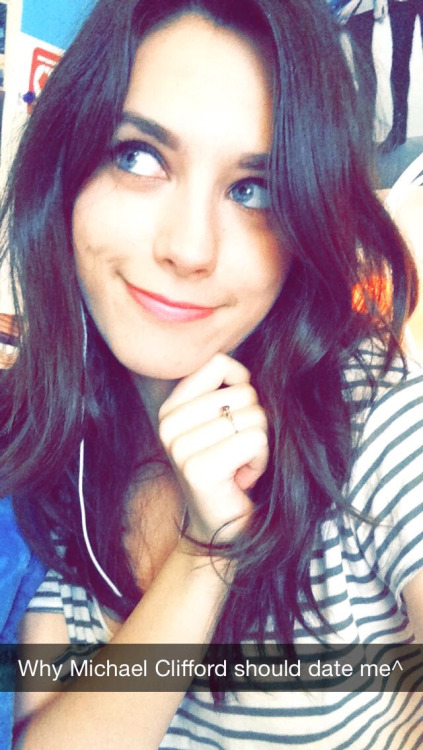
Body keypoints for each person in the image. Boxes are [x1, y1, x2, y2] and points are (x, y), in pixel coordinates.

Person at [0, 0, 422, 747]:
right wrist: (206, 551)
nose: (190, 249)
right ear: (66, 174)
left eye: (252, 189)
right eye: (139, 156)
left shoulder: (373, 416)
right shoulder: (46, 434)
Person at [379, 0, 423, 153]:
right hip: (400, 3)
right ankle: (398, 130)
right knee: (399, 60)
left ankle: (398, 131)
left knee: (399, 60)